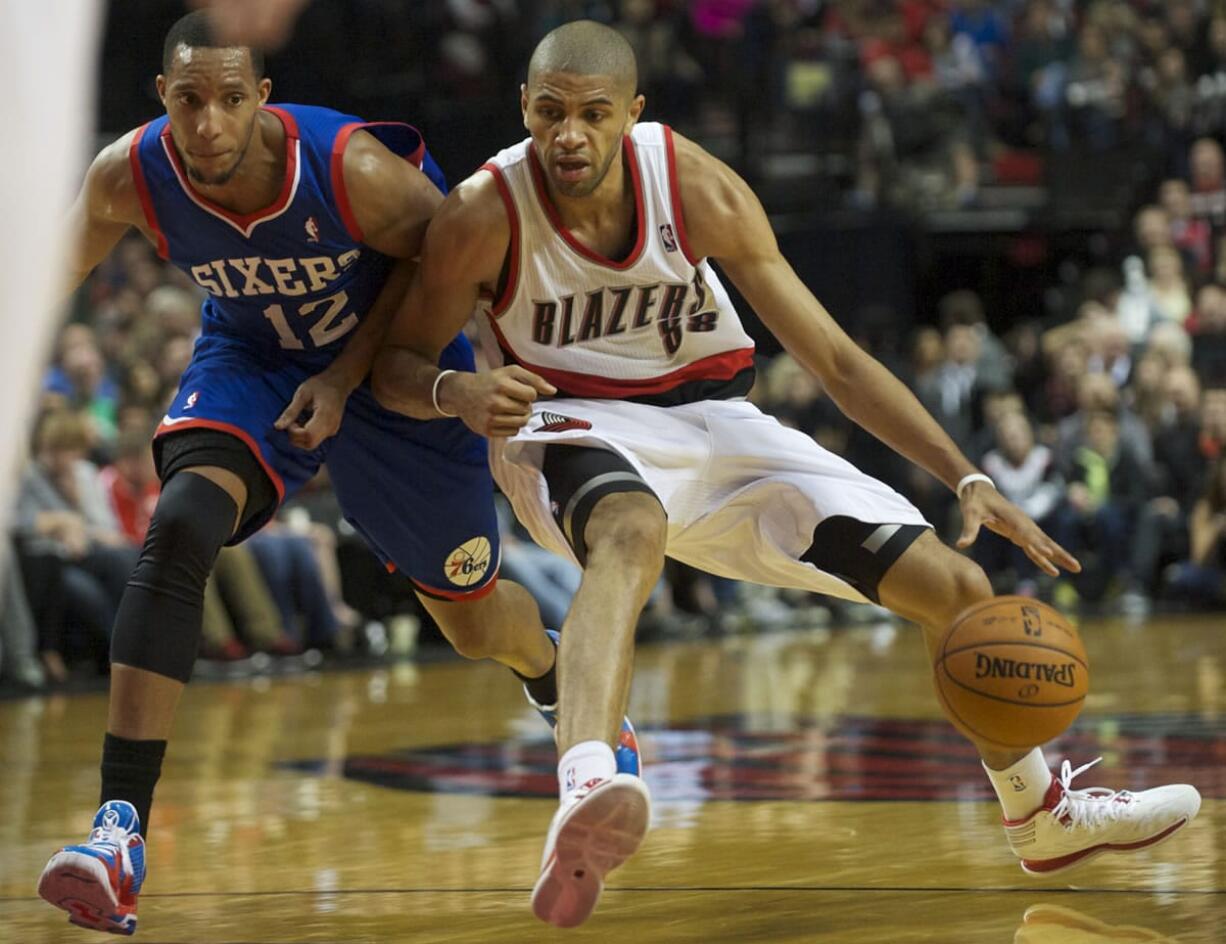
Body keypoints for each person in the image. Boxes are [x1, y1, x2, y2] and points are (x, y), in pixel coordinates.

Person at [372, 20, 1202, 929]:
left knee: (960, 591)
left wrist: (965, 477)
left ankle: (1041, 819)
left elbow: (838, 364)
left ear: (632, 116)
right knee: (630, 531)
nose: (569, 134)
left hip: (714, 420)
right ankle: (586, 782)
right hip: (568, 420)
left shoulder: (693, 187)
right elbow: (397, 362)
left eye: (593, 114)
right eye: (550, 112)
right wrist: (456, 388)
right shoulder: (483, 213)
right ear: (523, 109)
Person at [36, 14, 637, 937]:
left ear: (260, 100)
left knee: (474, 622)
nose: (207, 123)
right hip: (254, 354)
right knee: (182, 522)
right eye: (189, 101)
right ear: (163, 99)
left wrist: (353, 374)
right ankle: (118, 835)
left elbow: (449, 257)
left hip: (400, 370)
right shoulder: (130, 174)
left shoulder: (346, 168)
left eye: (229, 100)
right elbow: (41, 282)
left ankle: (553, 673)